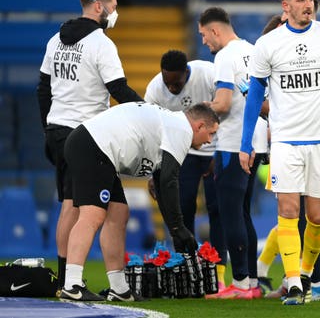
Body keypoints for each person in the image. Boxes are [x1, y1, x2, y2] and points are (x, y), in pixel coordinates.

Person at [239, 0, 320, 305]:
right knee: (288, 209)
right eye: (300, 0)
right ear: (286, 6)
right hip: (286, 142)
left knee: (319, 217)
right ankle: (294, 282)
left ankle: (307, 273)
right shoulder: (268, 44)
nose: (308, 4)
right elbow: (254, 96)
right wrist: (245, 142)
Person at [36, 0, 142, 290]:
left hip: (58, 130)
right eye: (114, 5)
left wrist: (48, 129)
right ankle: (69, 281)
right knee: (75, 206)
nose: (115, 12)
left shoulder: (55, 40)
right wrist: (148, 110)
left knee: (113, 208)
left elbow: (43, 89)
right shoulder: (100, 43)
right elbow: (118, 89)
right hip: (86, 135)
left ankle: (111, 284)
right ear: (99, 7)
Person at [59, 102, 219, 302]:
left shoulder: (173, 124)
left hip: (94, 146)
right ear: (200, 126)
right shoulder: (182, 129)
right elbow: (169, 181)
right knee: (92, 215)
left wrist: (176, 229)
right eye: (211, 133)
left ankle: (119, 288)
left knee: (119, 214)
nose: (210, 140)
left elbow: (161, 184)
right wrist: (178, 228)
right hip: (94, 146)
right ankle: (72, 284)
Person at [197, 7, 269, 299]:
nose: (204, 42)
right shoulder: (254, 52)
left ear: (215, 30)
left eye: (204, 35)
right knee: (243, 213)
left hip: (231, 144)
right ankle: (250, 282)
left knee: (230, 215)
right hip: (256, 143)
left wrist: (197, 109)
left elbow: (223, 104)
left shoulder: (225, 56)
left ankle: (239, 284)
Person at [144, 49, 226, 288]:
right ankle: (186, 269)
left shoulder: (208, 74)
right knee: (182, 207)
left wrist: (218, 150)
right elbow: (151, 132)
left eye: (176, 83)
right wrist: (153, 173)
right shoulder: (155, 89)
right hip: (183, 153)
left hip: (214, 147)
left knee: (217, 210)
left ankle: (218, 275)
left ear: (186, 73)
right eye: (167, 83)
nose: (171, 88)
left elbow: (228, 108)